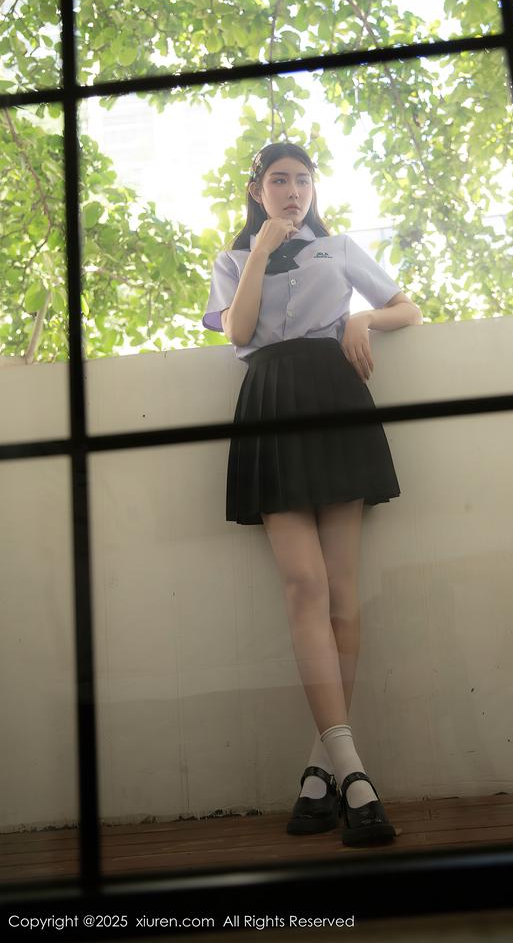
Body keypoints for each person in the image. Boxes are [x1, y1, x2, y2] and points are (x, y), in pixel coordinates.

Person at [202, 141, 422, 846]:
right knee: (304, 587)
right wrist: (262, 251)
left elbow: (407, 308)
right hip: (270, 401)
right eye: (279, 180)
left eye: (303, 179)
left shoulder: (339, 249)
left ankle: (321, 770)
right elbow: (237, 331)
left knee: (342, 594)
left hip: (334, 395)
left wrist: (361, 319)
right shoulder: (233, 260)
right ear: (257, 191)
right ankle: (352, 772)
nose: (293, 190)